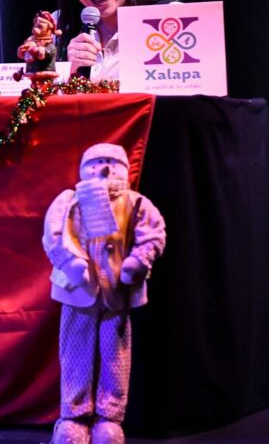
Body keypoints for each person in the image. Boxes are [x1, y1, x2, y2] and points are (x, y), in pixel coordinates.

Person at [43, 143, 166, 444]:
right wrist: (71, 262)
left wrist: (139, 261)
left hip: (116, 293)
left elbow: (153, 233)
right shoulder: (70, 200)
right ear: (84, 168)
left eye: (112, 162)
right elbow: (54, 233)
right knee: (75, 354)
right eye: (96, 162)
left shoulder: (135, 202)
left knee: (116, 357)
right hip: (78, 291)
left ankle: (109, 418)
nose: (104, 169)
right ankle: (73, 418)